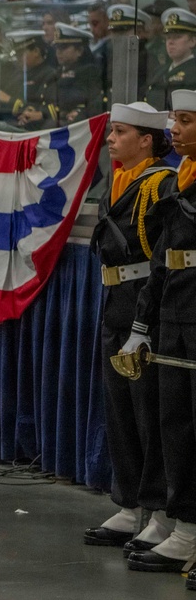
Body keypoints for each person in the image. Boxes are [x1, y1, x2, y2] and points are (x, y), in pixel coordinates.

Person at [87, 102, 177, 555]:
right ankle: (128, 502)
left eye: (120, 132)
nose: (111, 139)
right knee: (119, 408)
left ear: (146, 140)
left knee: (148, 411)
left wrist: (145, 317)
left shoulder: (162, 184)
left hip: (145, 299)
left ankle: (159, 510)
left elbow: (159, 254)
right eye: (111, 131)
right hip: (115, 300)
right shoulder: (120, 181)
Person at [124, 89, 196, 581]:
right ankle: (184, 525)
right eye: (175, 119)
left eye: (186, 121)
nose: (175, 129)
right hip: (175, 313)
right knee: (175, 425)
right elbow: (162, 261)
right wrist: (142, 325)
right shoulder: (180, 181)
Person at [145, 8, 196, 111]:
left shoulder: (193, 71)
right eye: (168, 37)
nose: (170, 42)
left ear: (192, 41)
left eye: (177, 37)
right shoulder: (160, 72)